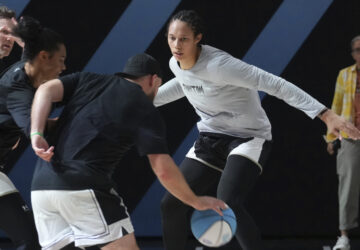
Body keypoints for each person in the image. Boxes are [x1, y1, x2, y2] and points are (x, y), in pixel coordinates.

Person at [154, 10, 360, 250]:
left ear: (198, 37)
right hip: (211, 137)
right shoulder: (175, 63)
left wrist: (325, 114)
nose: (176, 45)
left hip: (249, 136)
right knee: (171, 203)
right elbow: (184, 83)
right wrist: (144, 99)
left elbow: (275, 84)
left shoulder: (221, 66)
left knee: (228, 200)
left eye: (183, 39)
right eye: (171, 38)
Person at [29, 53, 225, 250]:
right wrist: (195, 201)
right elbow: (162, 169)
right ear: (153, 80)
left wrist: (36, 132)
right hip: (82, 186)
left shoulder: (88, 79)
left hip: (41, 188)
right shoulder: (142, 106)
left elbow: (45, 89)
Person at [0, 15, 66, 250]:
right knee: (29, 240)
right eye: (3, 31)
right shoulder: (17, 80)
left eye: (12, 33)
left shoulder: (20, 73)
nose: (8, 38)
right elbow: (25, 116)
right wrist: (35, 136)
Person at [326, 35, 360, 250]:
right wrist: (331, 138)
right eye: (357, 49)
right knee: (347, 187)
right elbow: (335, 108)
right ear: (353, 53)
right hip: (351, 138)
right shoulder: (345, 75)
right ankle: (344, 236)